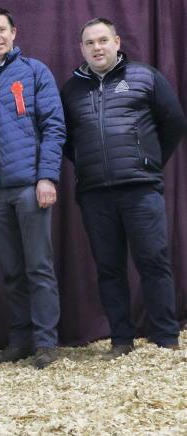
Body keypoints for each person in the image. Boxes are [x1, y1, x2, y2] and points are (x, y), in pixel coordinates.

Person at [61, 18, 186, 358]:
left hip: (140, 189)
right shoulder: (71, 90)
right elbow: (66, 140)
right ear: (81, 48)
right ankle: (121, 338)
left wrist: (148, 160)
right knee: (108, 268)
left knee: (153, 260)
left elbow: (174, 123)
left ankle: (165, 336)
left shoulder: (145, 77)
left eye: (103, 40)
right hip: (94, 194)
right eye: (90, 42)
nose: (97, 47)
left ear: (117, 42)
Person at [0, 7, 66, 369]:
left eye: (1, 30)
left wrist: (46, 177)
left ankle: (46, 342)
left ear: (13, 33)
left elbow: (54, 127)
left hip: (29, 187)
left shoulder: (35, 73)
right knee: (11, 271)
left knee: (38, 267)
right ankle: (20, 340)